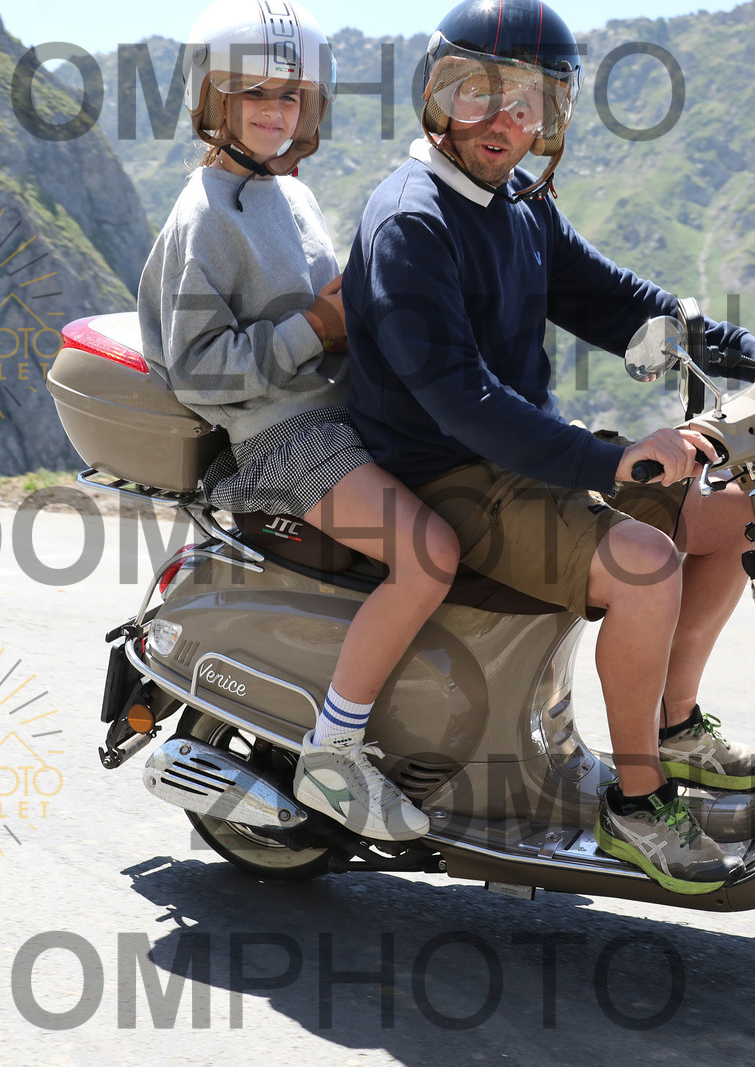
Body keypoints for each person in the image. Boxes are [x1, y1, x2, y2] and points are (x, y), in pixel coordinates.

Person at [342, 0, 755, 893]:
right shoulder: (412, 223)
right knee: (646, 564)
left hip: (523, 459)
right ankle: (637, 802)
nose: (504, 121)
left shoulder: (520, 206)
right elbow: (462, 402)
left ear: (553, 115)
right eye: (477, 92)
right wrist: (609, 462)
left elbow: (621, 304)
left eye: (530, 101)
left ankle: (675, 724)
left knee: (735, 510)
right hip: (449, 474)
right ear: (437, 94)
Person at [137, 0, 460, 843]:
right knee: (428, 556)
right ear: (213, 99)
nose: (276, 111)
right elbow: (199, 370)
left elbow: (336, 310)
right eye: (255, 94)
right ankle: (333, 754)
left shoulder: (292, 195)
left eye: (292, 96)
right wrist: (314, 327)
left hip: (341, 412)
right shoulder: (204, 216)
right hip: (283, 438)